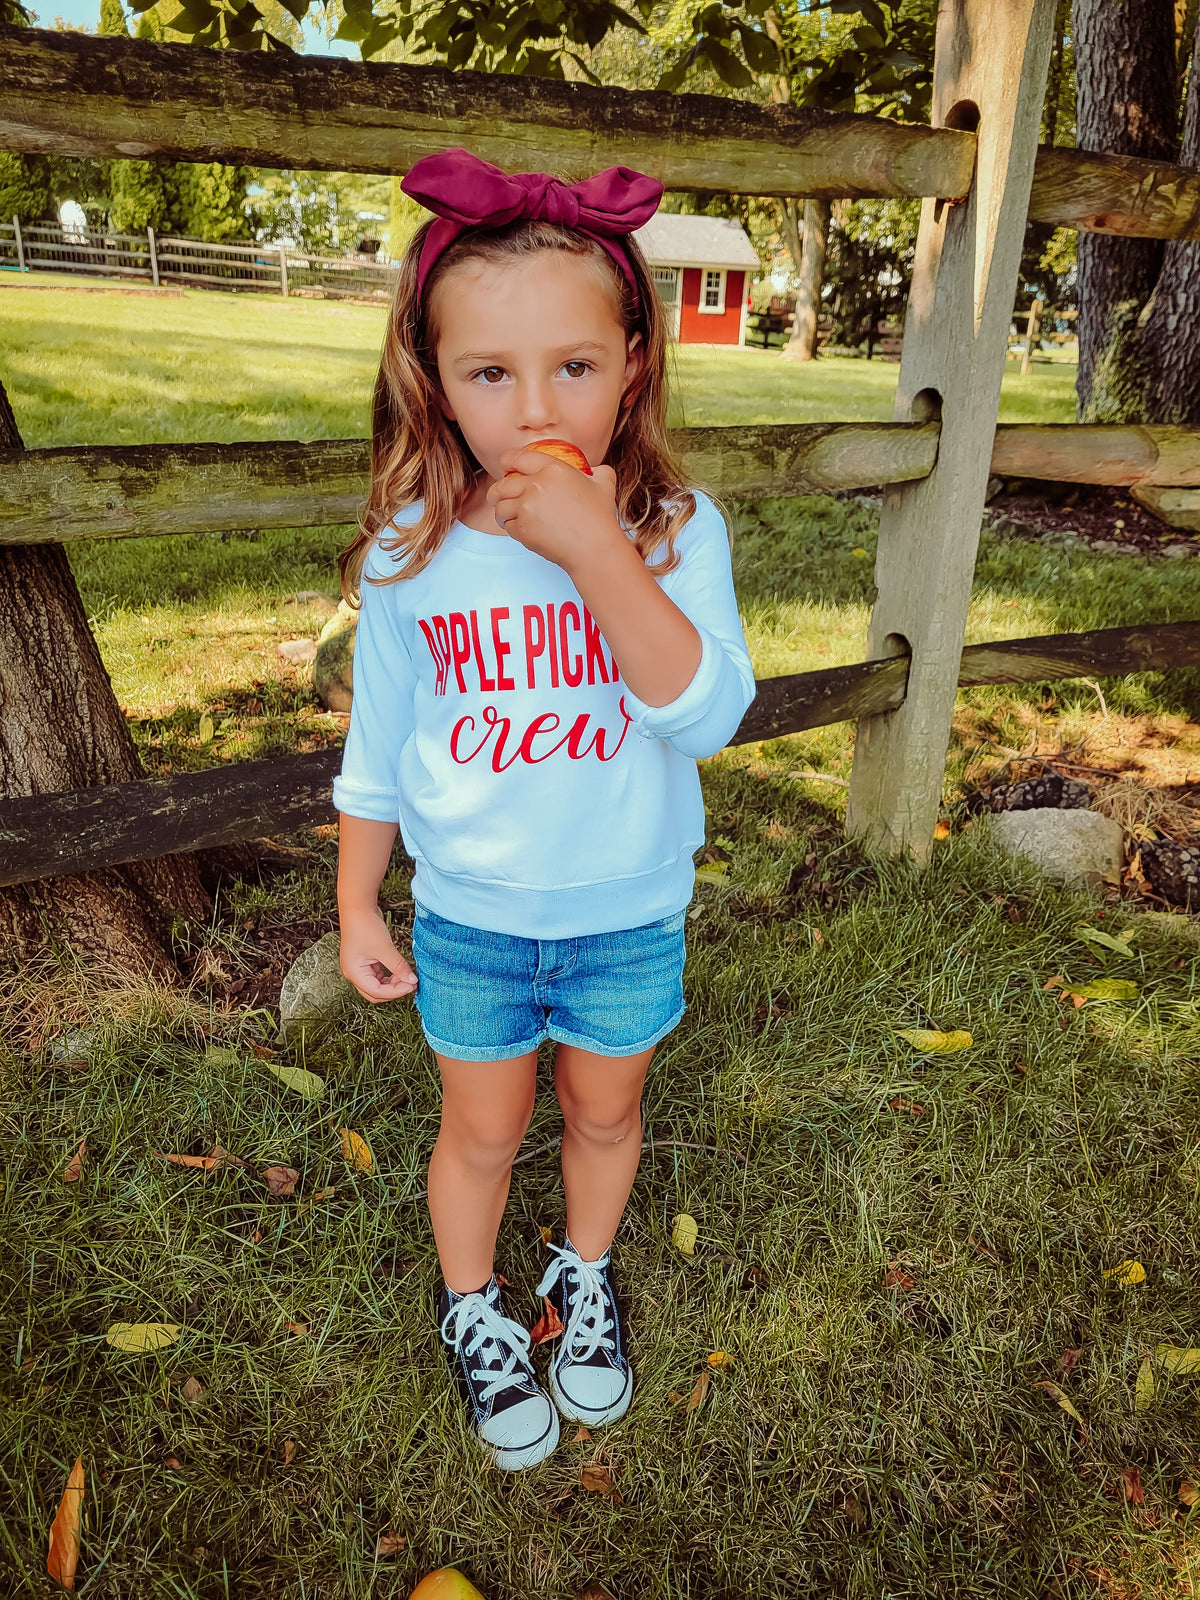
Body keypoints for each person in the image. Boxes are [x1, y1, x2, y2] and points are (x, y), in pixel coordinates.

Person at [332, 146, 756, 1471]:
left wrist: (596, 549)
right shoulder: (414, 544)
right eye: (490, 375)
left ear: (635, 360)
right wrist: (354, 898)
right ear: (433, 380)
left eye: (573, 365)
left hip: (628, 916)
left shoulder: (679, 530)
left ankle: (581, 1281)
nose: (533, 410)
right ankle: (476, 1311)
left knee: (605, 1116)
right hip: (471, 920)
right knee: (484, 1127)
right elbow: (379, 749)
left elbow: (709, 713)